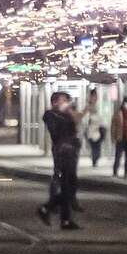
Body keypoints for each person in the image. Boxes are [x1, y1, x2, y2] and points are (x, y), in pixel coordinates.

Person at [38, 92, 82, 230]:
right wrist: (66, 115)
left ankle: (64, 219)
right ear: (55, 102)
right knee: (67, 185)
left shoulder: (67, 115)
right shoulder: (50, 115)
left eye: (67, 101)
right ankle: (48, 208)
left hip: (71, 152)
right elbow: (56, 133)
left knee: (70, 185)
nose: (66, 103)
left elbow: (74, 127)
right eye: (63, 100)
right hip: (62, 153)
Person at [80, 90, 108, 169]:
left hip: (100, 129)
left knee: (97, 146)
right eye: (93, 96)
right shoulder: (88, 106)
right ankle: (94, 159)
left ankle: (95, 158)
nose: (94, 98)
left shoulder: (100, 104)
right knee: (93, 146)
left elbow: (102, 118)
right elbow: (84, 117)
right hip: (90, 129)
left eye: (96, 96)